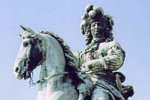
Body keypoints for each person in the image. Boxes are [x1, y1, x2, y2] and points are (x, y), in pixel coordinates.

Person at [78, 5, 134, 100]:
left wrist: (95, 63)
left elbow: (117, 59)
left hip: (103, 83)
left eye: (99, 24)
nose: (96, 27)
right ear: (89, 29)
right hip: (83, 83)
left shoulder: (111, 44)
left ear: (105, 28)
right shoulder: (83, 54)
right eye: (93, 25)